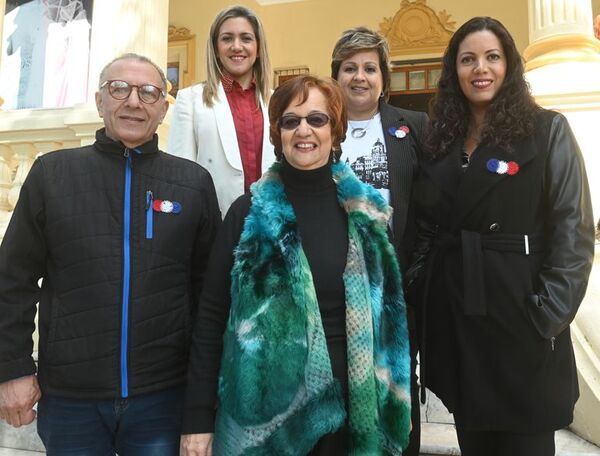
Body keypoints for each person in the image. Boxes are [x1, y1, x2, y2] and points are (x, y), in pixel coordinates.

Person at [0, 53, 221, 455]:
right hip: (72, 400)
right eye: (119, 88)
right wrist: (12, 367)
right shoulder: (52, 174)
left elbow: (211, 297)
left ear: (162, 108)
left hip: (163, 398)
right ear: (100, 101)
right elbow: (12, 280)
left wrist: (204, 397)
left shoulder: (192, 184)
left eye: (149, 92)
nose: (133, 101)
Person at [180, 75, 412, 456]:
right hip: (268, 422)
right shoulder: (248, 214)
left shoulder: (367, 215)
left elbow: (392, 316)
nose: (304, 130)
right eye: (291, 120)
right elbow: (210, 317)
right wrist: (198, 419)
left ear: (335, 131)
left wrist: (396, 400)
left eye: (317, 119)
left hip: (357, 414)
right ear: (278, 132)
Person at [407, 16, 595, 456]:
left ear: (509, 65)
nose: (480, 68)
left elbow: (574, 230)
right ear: (454, 70)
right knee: (475, 442)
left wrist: (547, 315)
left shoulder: (547, 130)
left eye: (492, 57)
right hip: (461, 324)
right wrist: (423, 292)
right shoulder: (441, 140)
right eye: (468, 59)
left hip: (523, 322)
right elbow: (426, 226)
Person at [331, 26, 428, 456]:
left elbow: (430, 207)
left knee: (397, 387)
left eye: (370, 68)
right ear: (336, 75)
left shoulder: (414, 126)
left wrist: (416, 271)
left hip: (395, 286)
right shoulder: (319, 124)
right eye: (349, 67)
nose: (359, 76)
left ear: (383, 78)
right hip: (336, 286)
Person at [168, 5, 274, 215]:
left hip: (269, 224)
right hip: (215, 225)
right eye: (227, 38)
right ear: (216, 49)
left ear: (258, 47)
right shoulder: (190, 100)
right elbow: (180, 176)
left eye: (246, 38)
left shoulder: (277, 101)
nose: (237, 46)